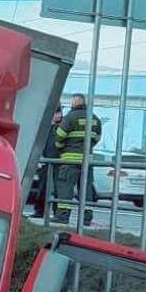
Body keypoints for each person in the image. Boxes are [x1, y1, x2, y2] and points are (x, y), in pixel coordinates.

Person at [53, 93, 101, 226]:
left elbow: (59, 136)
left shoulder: (69, 118)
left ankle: (62, 216)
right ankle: (86, 218)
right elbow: (97, 138)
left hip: (70, 160)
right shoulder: (95, 119)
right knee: (86, 189)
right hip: (87, 161)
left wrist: (61, 147)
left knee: (65, 188)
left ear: (74, 102)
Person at [30, 108, 63, 218]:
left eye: (58, 113)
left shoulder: (61, 126)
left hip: (57, 161)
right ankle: (39, 210)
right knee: (43, 187)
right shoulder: (46, 127)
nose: (58, 115)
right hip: (46, 162)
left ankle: (57, 212)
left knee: (58, 189)